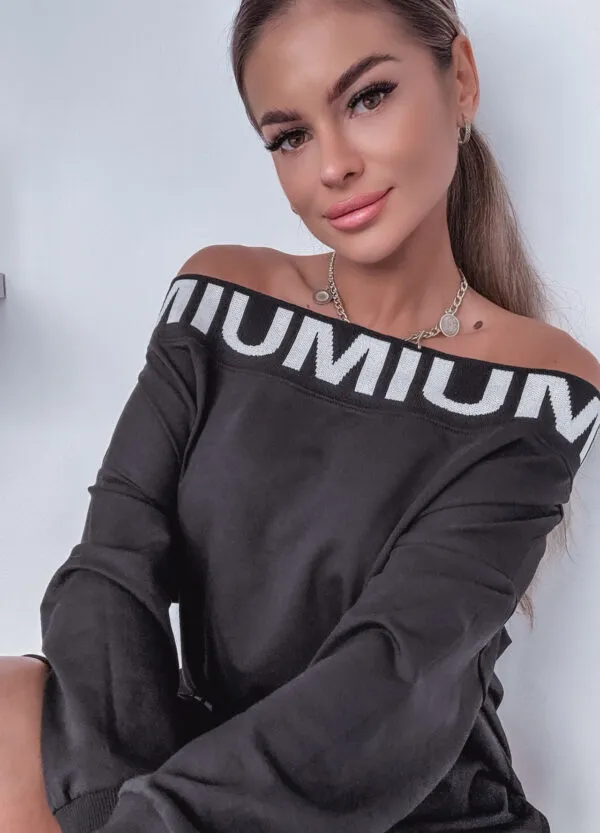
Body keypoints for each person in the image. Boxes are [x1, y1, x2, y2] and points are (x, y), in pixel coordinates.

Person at [2, 1, 600, 831]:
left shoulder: (538, 384)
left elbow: (389, 679)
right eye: (290, 137)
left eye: (368, 98)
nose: (334, 166)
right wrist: (118, 806)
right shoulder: (219, 299)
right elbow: (112, 569)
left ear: (459, 79)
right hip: (188, 780)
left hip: (397, 808)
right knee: (12, 700)